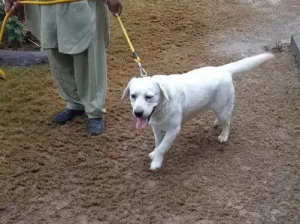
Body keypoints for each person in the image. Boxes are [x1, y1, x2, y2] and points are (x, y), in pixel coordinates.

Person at [4, 0, 122, 136]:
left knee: (87, 52)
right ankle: (75, 103)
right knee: (55, 47)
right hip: (47, 5)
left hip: (81, 4)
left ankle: (95, 111)